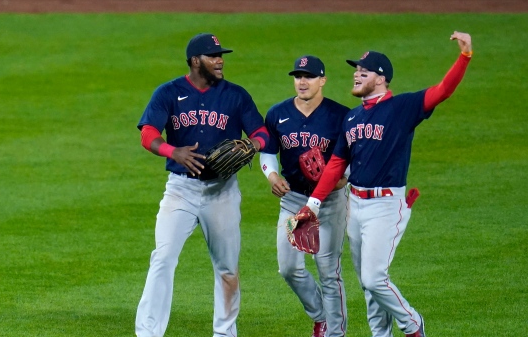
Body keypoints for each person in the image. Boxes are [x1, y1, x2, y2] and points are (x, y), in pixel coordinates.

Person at [294, 31, 473, 337]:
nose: (356, 75)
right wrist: (313, 204)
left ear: (381, 79)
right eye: (355, 71)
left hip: (386, 205)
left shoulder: (402, 108)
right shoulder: (351, 118)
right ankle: (381, 335)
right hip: (356, 206)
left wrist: (464, 56)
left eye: (363, 72)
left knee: (375, 278)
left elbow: (443, 90)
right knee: (367, 282)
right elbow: (337, 165)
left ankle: (412, 324)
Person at [134, 32, 269, 337]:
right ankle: (148, 333)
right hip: (180, 190)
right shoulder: (168, 93)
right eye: (213, 56)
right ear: (196, 61)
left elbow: (262, 131)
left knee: (227, 268)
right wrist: (173, 151)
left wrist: (253, 145)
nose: (220, 61)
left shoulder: (236, 95)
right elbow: (147, 134)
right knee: (163, 258)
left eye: (221, 56)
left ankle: (224, 333)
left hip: (222, 192)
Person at [260, 55, 351, 337]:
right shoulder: (277, 114)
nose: (302, 81)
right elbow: (267, 150)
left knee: (328, 271)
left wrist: (340, 182)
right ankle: (320, 315)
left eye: (309, 76)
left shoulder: (341, 115)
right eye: (298, 76)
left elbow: (354, 158)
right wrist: (272, 176)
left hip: (330, 203)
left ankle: (335, 332)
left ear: (322, 80)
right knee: (288, 267)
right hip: (293, 202)